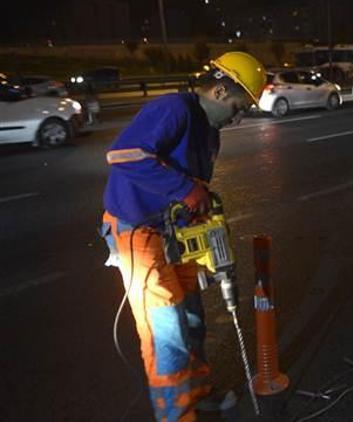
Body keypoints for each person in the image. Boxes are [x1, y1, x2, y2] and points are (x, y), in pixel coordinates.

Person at [99, 51, 266, 421]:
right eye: (239, 107)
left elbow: (197, 189)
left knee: (192, 316)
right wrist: (186, 190)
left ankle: (199, 392)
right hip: (137, 230)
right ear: (221, 91)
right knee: (167, 330)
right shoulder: (175, 109)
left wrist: (202, 215)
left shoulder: (210, 133)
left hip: (176, 232)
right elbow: (124, 155)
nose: (239, 118)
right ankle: (177, 415)